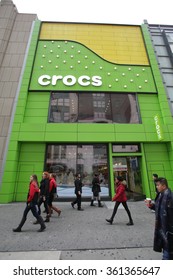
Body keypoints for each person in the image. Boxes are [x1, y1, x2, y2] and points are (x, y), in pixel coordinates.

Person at [146, 177, 173, 260]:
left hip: (169, 230)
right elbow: (160, 208)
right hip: (162, 228)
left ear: (164, 186)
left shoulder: (169, 197)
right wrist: (151, 206)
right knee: (167, 250)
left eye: (158, 185)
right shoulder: (161, 195)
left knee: (167, 253)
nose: (157, 187)